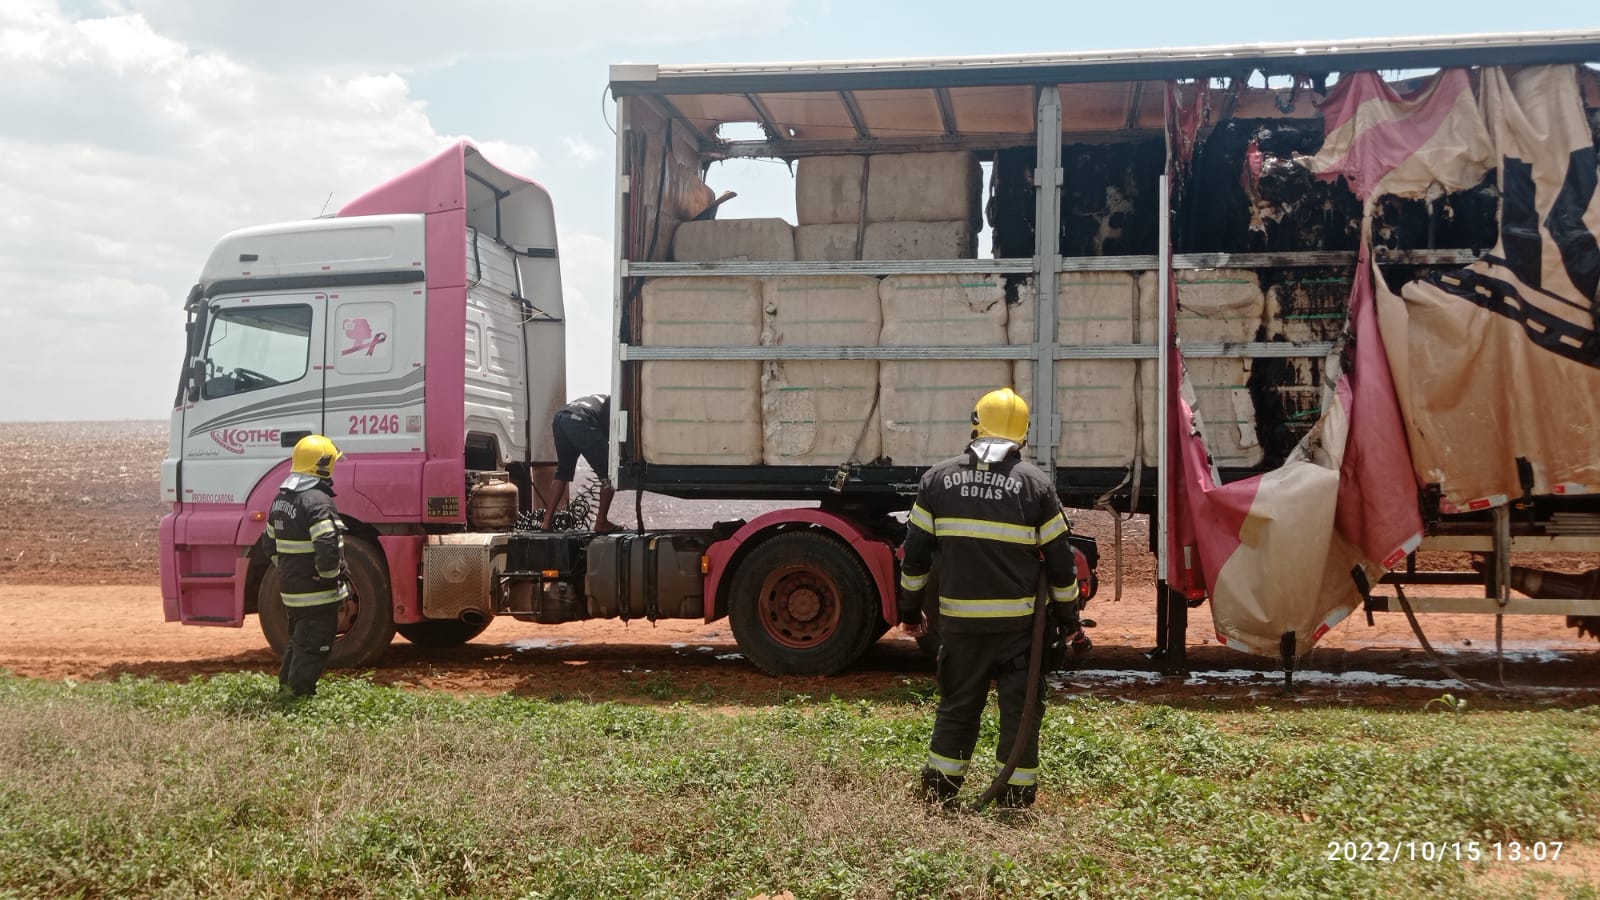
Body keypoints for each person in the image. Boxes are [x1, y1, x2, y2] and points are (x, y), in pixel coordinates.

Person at [898, 387, 1080, 810]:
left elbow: (916, 558)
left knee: (958, 707)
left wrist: (909, 611)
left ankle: (940, 795)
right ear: (1024, 434)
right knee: (1020, 713)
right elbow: (1060, 564)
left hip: (960, 628)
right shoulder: (1035, 485)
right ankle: (1014, 799)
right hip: (1021, 632)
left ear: (975, 423)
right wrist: (1068, 618)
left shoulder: (937, 481)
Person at [259, 434, 350, 697]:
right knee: (313, 647)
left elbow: (269, 545)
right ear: (323, 465)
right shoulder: (318, 501)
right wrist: (330, 579)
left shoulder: (281, 499)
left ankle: (286, 691)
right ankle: (297, 699)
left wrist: (291, 572)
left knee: (298, 643)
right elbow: (327, 544)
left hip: (292, 592)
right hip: (317, 595)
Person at [541, 393, 621, 532]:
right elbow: (611, 433)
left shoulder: (599, 398)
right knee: (610, 472)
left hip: (560, 417)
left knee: (563, 473)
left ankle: (546, 523)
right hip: (580, 420)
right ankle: (601, 522)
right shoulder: (614, 404)